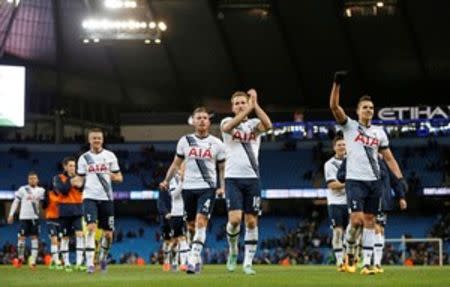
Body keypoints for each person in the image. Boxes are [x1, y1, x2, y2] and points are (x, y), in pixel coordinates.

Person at [329, 71, 408, 275]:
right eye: (365, 107)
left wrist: (399, 179)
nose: (369, 110)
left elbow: (389, 158)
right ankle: (348, 251)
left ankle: (366, 264)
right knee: (356, 220)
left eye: (372, 108)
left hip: (374, 182)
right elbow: (334, 107)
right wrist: (337, 84)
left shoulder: (379, 133)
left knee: (370, 222)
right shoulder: (349, 127)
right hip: (355, 181)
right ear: (357, 111)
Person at [159, 107, 225, 274]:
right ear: (193, 121)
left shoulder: (217, 144)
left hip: (207, 188)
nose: (202, 120)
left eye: (205, 117)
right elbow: (175, 164)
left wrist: (222, 186)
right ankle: (195, 255)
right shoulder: (185, 141)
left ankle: (192, 259)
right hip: (188, 188)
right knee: (190, 226)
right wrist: (167, 180)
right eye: (199, 118)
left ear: (209, 122)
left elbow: (222, 168)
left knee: (201, 221)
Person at [221, 89, 272, 275]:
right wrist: (248, 109)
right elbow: (227, 129)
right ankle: (233, 250)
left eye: (243, 102)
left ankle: (248, 263)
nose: (241, 105)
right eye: (237, 103)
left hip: (252, 178)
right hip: (233, 177)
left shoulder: (254, 124)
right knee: (234, 220)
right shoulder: (227, 122)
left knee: (251, 222)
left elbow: (268, 125)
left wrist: (255, 105)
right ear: (232, 107)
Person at [73, 128, 123, 273]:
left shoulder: (110, 156)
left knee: (108, 234)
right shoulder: (84, 158)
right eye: (94, 138)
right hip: (90, 197)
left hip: (107, 198)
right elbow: (80, 179)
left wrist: (113, 177)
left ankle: (102, 258)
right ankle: (89, 264)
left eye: (99, 138)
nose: (97, 141)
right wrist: (74, 181)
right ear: (89, 140)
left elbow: (120, 177)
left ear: (102, 140)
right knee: (90, 228)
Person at [7, 171, 46, 270]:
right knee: (21, 238)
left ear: (38, 180)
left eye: (34, 178)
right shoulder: (22, 189)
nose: (32, 180)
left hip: (35, 218)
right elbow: (16, 202)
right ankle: (20, 258)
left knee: (34, 238)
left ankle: (33, 261)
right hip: (24, 218)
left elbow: (46, 203)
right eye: (30, 178)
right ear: (28, 180)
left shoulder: (41, 191)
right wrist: (11, 214)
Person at [53, 157, 85, 271]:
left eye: (74, 166)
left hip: (77, 210)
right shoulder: (57, 178)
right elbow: (63, 190)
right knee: (65, 238)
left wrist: (79, 182)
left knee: (80, 235)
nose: (73, 168)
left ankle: (79, 262)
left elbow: (83, 189)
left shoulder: (80, 178)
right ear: (65, 167)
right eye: (70, 166)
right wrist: (71, 180)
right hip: (64, 211)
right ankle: (66, 263)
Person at [323, 135, 348, 272]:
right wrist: (350, 184)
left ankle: (350, 258)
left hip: (350, 202)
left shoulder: (352, 161)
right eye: (339, 145)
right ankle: (339, 261)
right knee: (338, 232)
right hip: (335, 203)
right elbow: (332, 184)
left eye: (344, 144)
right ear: (334, 148)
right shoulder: (329, 164)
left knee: (352, 232)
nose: (342, 147)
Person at [42, 187, 62, 270]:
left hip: (60, 220)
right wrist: (45, 200)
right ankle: (57, 261)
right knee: (54, 240)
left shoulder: (63, 195)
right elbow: (44, 206)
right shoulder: (49, 194)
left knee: (59, 243)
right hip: (50, 219)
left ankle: (53, 261)